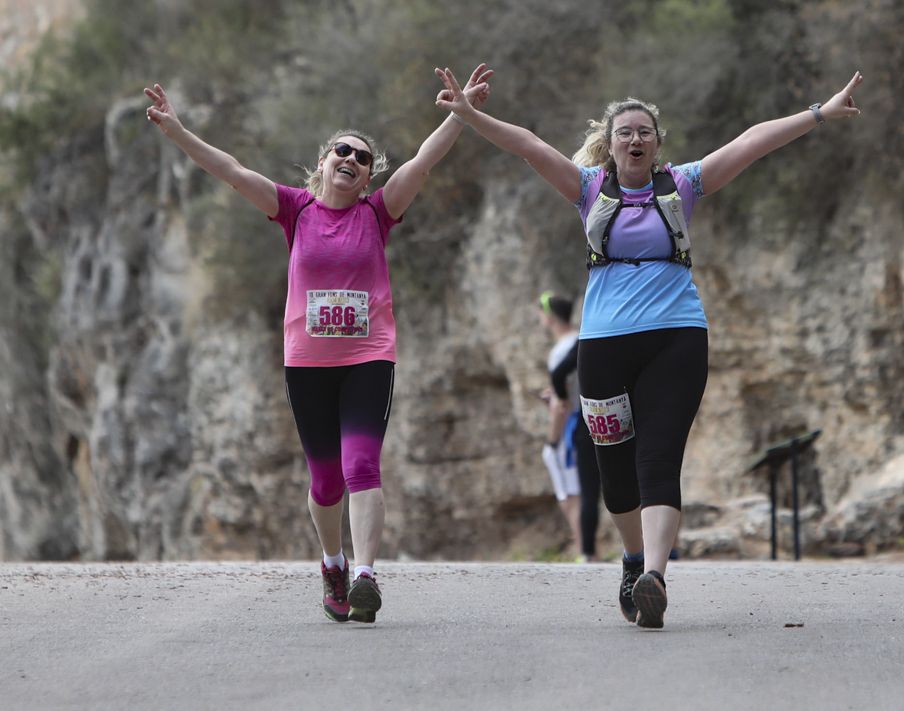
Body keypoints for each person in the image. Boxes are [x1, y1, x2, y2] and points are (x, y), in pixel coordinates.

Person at [435, 66, 863, 628]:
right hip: (604, 345)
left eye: (644, 132)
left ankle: (655, 577)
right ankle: (633, 560)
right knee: (615, 474)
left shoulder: (683, 185)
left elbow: (752, 141)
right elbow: (530, 146)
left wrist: (819, 114)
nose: (634, 140)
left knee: (659, 457)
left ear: (658, 142)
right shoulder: (587, 189)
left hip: (677, 338)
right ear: (609, 146)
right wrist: (470, 116)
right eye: (624, 133)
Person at [144, 64, 493, 623]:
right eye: (342, 152)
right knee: (326, 480)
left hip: (367, 358)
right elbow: (230, 171)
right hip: (307, 363)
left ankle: (366, 575)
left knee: (361, 465)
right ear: (324, 163)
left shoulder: (379, 214)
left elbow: (422, 163)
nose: (351, 161)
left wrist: (460, 113)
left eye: (362, 159)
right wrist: (178, 131)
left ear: (368, 177)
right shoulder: (293, 210)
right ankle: (332, 561)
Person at [538, 291, 601, 562]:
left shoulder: (560, 351)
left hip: (573, 424)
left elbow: (561, 401)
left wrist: (552, 440)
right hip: (591, 416)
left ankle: (585, 551)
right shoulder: (579, 340)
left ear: (549, 317)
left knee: (572, 494)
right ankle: (589, 551)